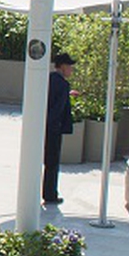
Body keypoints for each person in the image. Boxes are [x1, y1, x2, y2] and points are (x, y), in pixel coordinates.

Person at [45, 52, 76, 206]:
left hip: (42, 126)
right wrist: (55, 125)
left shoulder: (48, 79)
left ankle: (47, 192)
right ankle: (50, 194)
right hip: (54, 127)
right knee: (52, 162)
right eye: (70, 67)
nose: (71, 70)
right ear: (63, 66)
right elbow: (58, 108)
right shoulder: (63, 84)